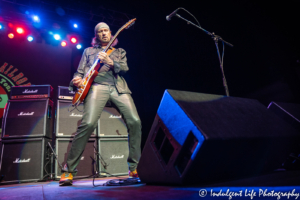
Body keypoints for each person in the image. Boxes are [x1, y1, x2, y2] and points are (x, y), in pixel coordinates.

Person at [59, 22, 142, 186]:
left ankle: (134, 167)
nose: (103, 33)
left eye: (106, 31)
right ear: (96, 35)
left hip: (119, 88)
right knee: (88, 123)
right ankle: (68, 171)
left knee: (135, 121)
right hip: (97, 87)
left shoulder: (119, 51)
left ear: (111, 33)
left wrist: (111, 62)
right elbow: (79, 72)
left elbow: (125, 68)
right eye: (100, 32)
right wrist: (76, 79)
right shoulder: (88, 52)